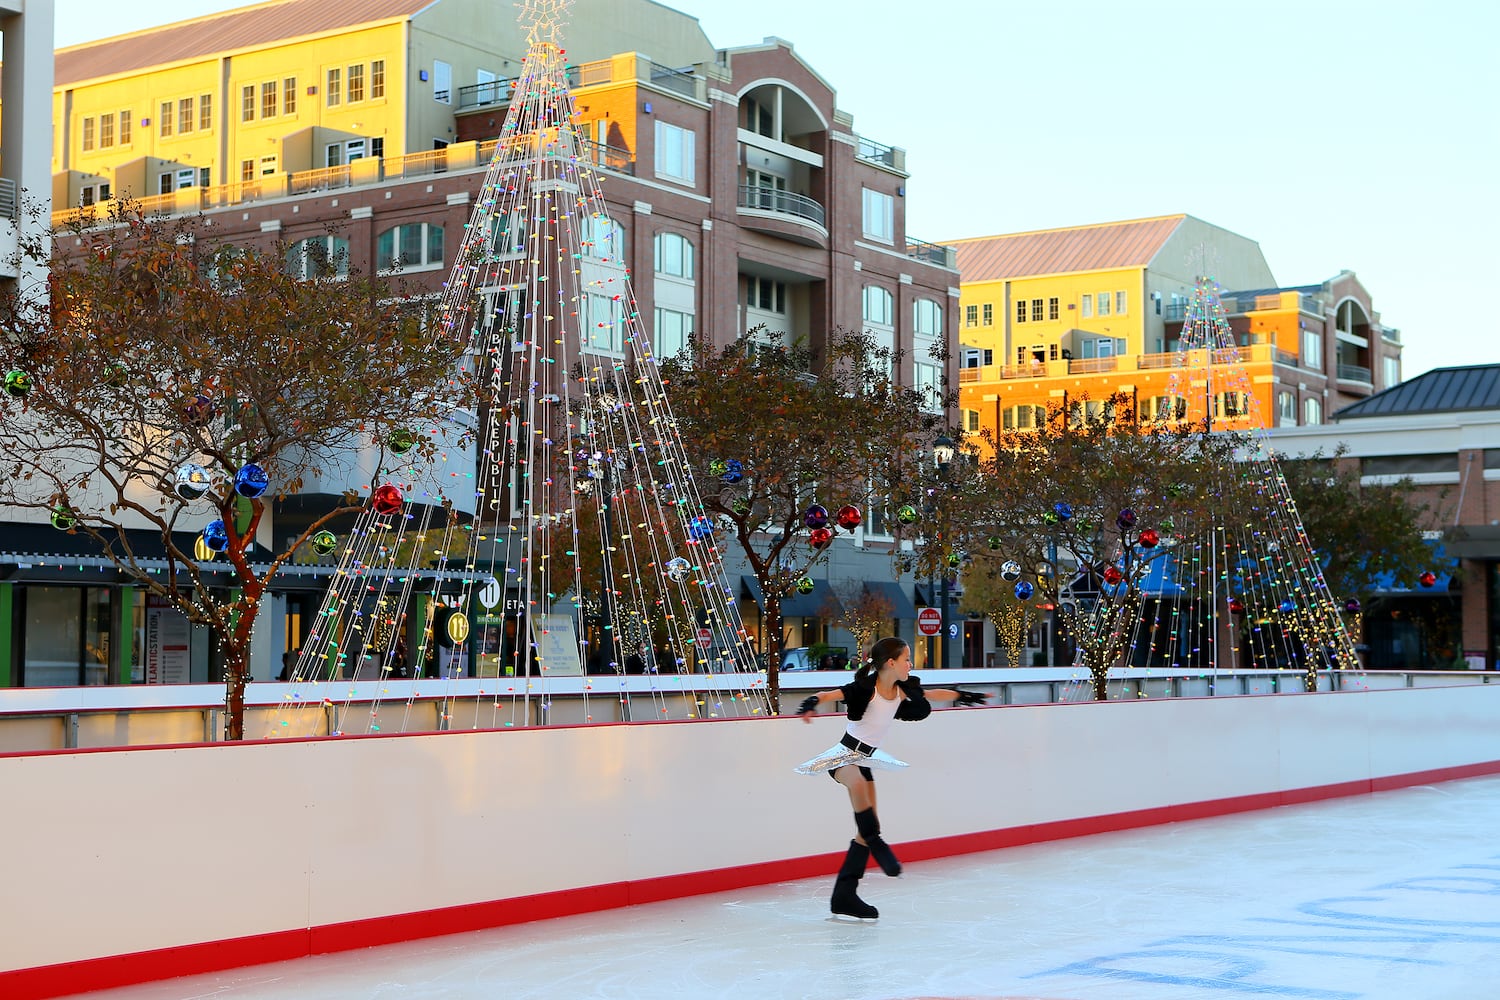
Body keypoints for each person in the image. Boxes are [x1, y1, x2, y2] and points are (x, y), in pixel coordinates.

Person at [794, 636, 988, 919]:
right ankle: (878, 844)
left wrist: (963, 696)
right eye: (907, 659)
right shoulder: (864, 689)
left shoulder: (901, 690)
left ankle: (844, 895)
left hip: (868, 757)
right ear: (890, 663)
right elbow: (829, 695)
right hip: (844, 755)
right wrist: (812, 702)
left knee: (865, 827)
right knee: (858, 786)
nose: (911, 664)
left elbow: (933, 694)